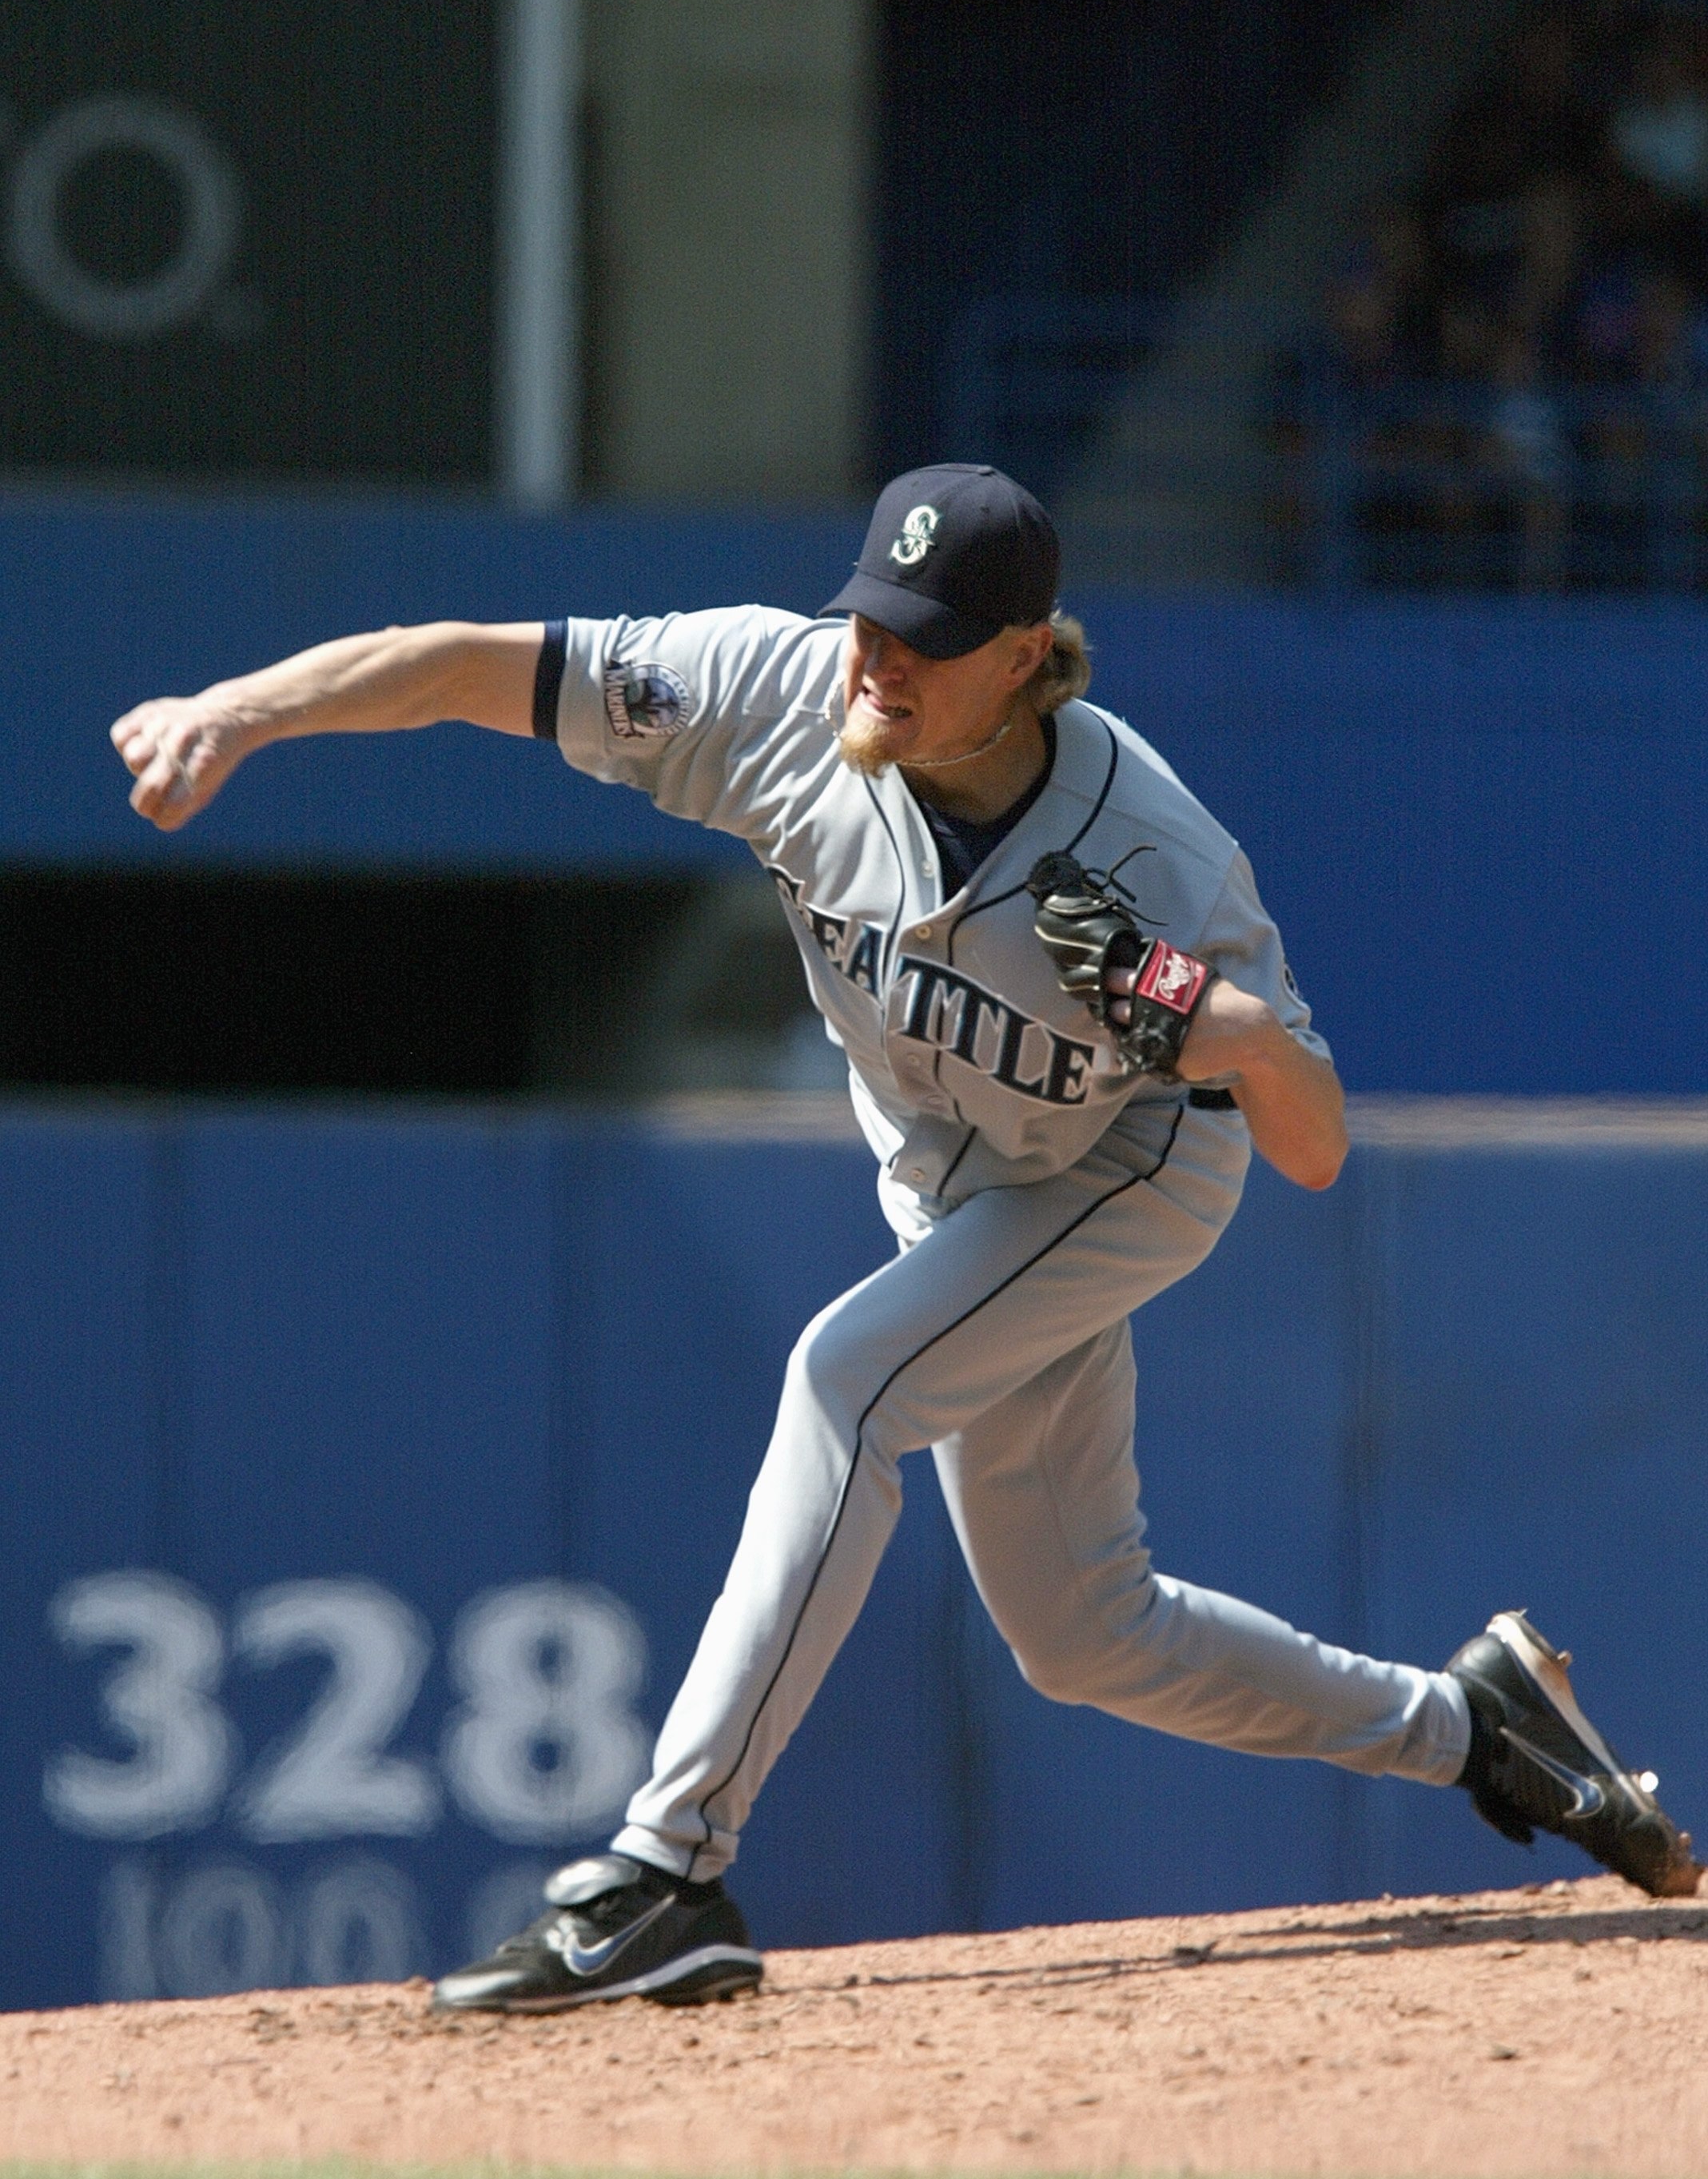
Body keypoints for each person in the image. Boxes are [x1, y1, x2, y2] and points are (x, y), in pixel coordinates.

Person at [112, 464, 1700, 2011]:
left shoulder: (1151, 849)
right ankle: (1476, 1726)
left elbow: (1313, 1144)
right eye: (869, 614)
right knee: (1085, 1634)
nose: (874, 660)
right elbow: (471, 666)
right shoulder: (777, 690)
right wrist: (240, 710)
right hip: (947, 1187)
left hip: (1123, 1172)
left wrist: (1202, 1018)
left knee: (843, 1378)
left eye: (921, 640)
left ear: (1025, 658)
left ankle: (663, 1872)